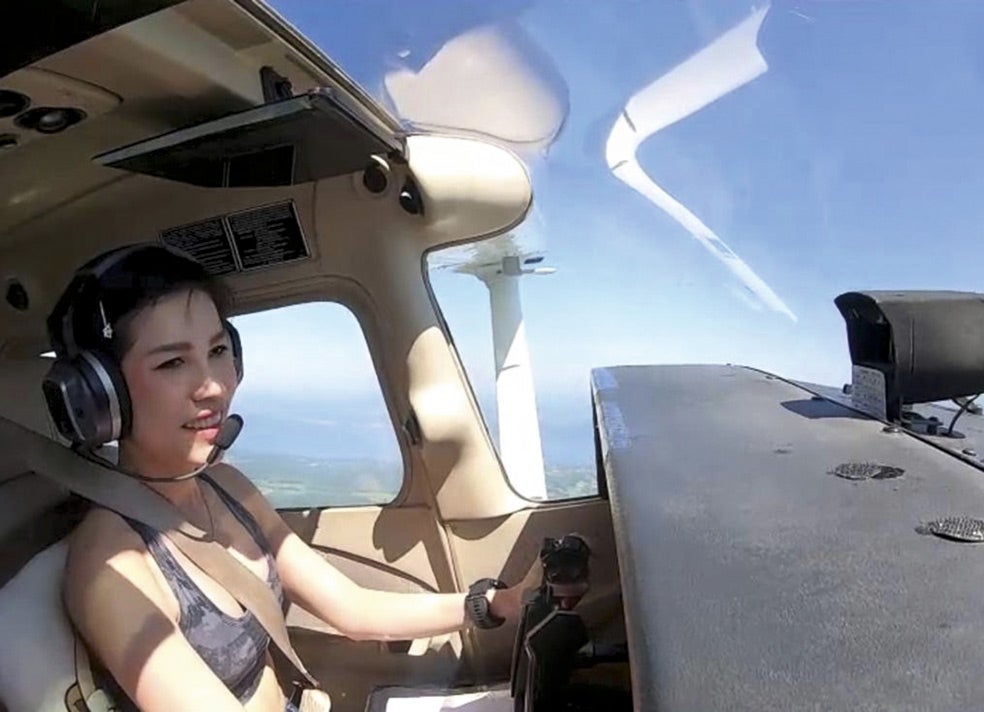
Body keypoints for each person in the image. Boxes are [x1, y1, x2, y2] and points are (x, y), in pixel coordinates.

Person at [49, 243, 533, 712]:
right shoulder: (111, 566)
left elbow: (353, 609)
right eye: (173, 362)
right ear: (100, 395)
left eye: (219, 350)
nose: (215, 386)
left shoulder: (227, 487)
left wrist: (492, 604)